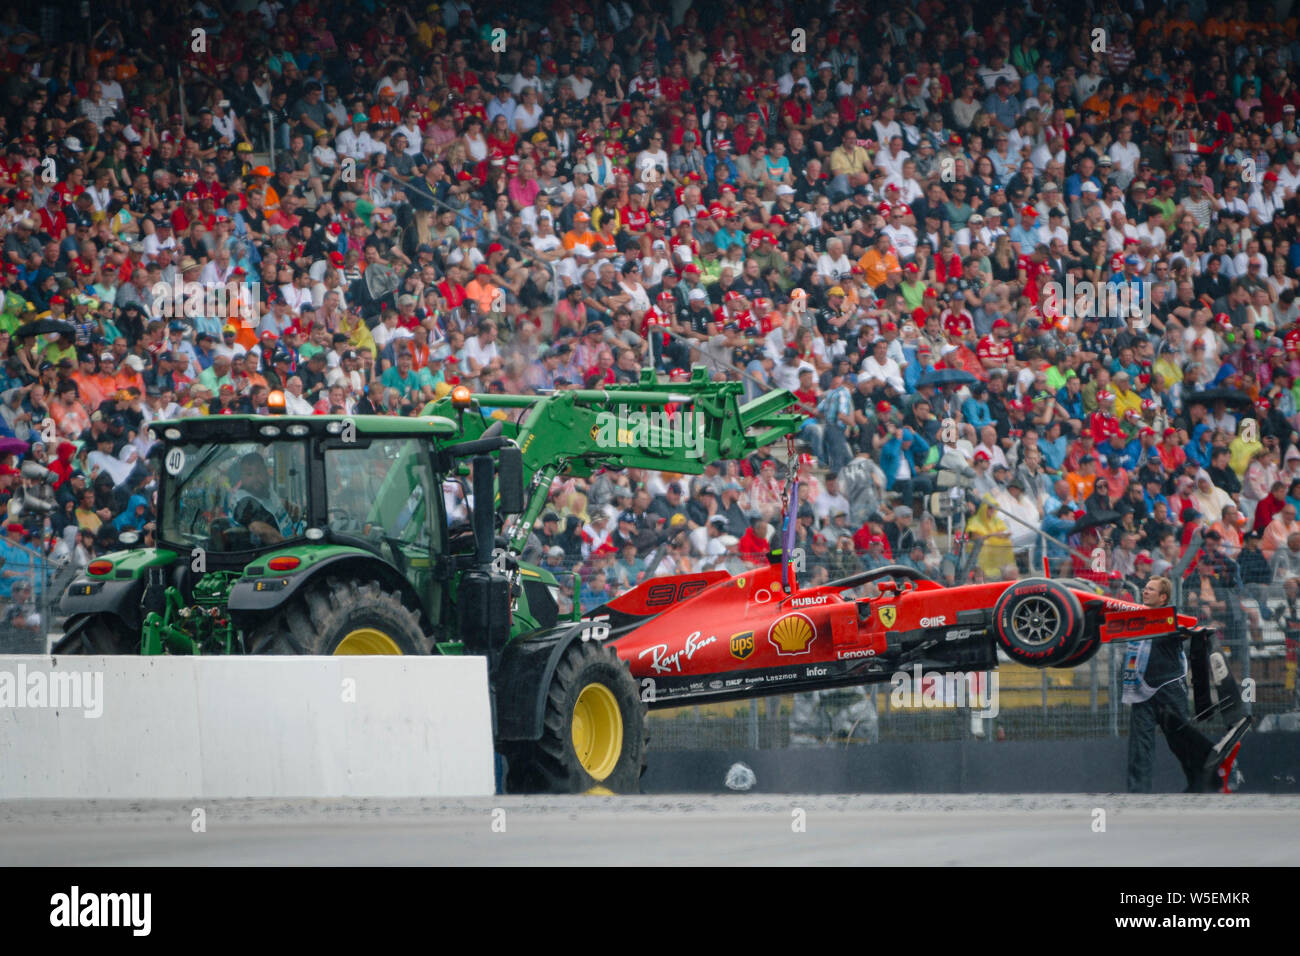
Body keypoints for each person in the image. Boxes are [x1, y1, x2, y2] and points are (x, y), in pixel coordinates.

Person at [1125, 576, 1250, 793]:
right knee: (1139, 747)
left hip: (1169, 691)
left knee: (1182, 742)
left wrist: (1192, 631)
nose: (1145, 591)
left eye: (1151, 589)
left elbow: (1183, 631)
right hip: (1141, 692)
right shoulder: (1134, 617)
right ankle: (1138, 792)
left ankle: (1212, 776)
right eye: (1145, 588)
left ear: (1163, 597)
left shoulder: (1171, 619)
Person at [228, 452, 301, 545]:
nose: (255, 478)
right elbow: (259, 528)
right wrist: (289, 546)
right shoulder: (244, 501)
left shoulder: (265, 490)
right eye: (249, 474)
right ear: (242, 478)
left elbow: (275, 505)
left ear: (266, 472)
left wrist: (289, 507)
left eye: (259, 472)